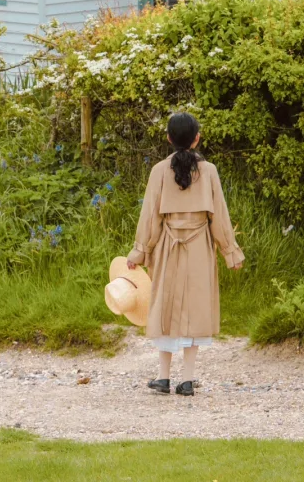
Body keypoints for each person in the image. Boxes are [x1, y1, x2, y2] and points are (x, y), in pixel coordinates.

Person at [126, 111, 243, 396]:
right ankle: (188, 380)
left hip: (168, 246)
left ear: (168, 138)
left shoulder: (158, 171)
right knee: (195, 308)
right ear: (197, 138)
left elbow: (150, 217)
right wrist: (230, 252)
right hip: (200, 246)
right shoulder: (210, 171)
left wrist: (139, 252)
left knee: (165, 306)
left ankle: (163, 378)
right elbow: (220, 217)